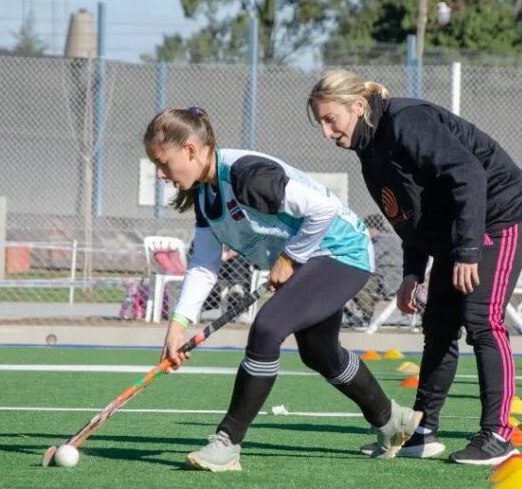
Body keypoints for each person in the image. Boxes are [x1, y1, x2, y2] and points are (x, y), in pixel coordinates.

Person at [145, 107, 420, 472]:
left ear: (191, 150)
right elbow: (203, 265)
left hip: (342, 252)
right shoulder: (206, 197)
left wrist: (290, 258)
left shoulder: (246, 175)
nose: (160, 174)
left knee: (267, 328)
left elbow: (323, 209)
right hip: (312, 260)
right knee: (320, 353)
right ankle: (392, 420)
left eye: (163, 163)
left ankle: (227, 442)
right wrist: (178, 325)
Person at [308, 70, 522, 466]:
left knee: (482, 319)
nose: (327, 133)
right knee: (439, 325)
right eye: (321, 124)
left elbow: (468, 175)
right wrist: (412, 272)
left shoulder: (406, 121)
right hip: (458, 225)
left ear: (358, 106)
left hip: (500, 213)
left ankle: (499, 434)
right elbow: (409, 214)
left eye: (331, 120)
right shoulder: (369, 148)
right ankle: (423, 430)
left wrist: (468, 251)